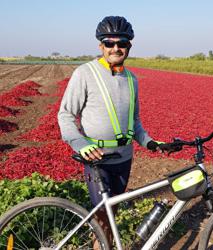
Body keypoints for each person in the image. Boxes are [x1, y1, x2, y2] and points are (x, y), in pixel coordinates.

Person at [58, 15, 163, 248]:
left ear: (129, 46)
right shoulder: (85, 73)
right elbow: (65, 115)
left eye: (122, 43)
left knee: (111, 212)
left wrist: (150, 143)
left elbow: (134, 122)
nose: (116, 48)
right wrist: (80, 143)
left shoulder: (132, 79)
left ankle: (101, 245)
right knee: (103, 217)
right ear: (101, 46)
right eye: (109, 43)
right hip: (97, 159)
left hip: (124, 158)